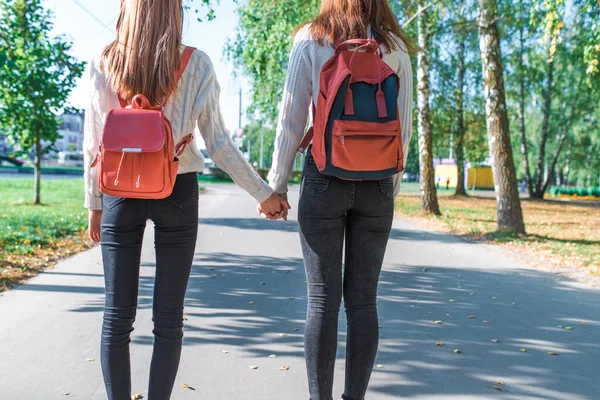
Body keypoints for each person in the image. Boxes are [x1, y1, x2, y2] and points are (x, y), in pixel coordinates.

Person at [83, 1, 289, 398]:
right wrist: (263, 194)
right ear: (174, 12)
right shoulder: (197, 63)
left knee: (116, 316)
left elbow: (93, 141)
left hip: (119, 190)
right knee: (169, 318)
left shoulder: (104, 59)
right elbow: (220, 144)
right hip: (177, 187)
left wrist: (94, 204)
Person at [265, 1, 415, 399]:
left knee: (322, 301)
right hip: (379, 182)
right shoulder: (395, 47)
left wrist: (276, 185)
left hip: (324, 176)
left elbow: (291, 118)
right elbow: (405, 124)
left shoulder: (311, 40)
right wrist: (389, 189)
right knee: (364, 303)